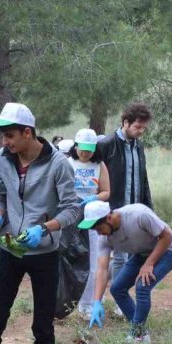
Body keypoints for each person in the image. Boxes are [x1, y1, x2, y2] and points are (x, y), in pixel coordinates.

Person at [0, 103, 81, 344]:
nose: (5, 142)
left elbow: (73, 208)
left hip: (44, 253)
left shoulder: (58, 164)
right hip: (11, 247)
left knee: (42, 324)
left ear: (28, 132)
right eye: (2, 136)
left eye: (9, 135)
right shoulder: (2, 159)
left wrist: (45, 228)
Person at [82, 200, 172, 342]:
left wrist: (149, 264)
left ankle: (137, 335)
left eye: (98, 228)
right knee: (117, 289)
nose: (98, 233)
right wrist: (96, 301)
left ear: (109, 218)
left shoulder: (138, 215)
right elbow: (102, 269)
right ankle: (140, 331)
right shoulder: (104, 238)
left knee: (142, 286)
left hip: (170, 251)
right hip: (143, 254)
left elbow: (167, 236)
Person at [97, 103, 153, 279]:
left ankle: (115, 289)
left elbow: (143, 179)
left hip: (135, 211)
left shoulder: (139, 146)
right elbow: (98, 179)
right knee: (120, 257)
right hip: (114, 210)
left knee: (131, 255)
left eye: (144, 128)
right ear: (126, 123)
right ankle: (119, 296)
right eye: (137, 127)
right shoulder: (106, 144)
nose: (141, 131)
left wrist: (149, 208)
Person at [67, 128, 111, 315]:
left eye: (89, 150)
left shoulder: (99, 165)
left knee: (93, 259)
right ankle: (69, 302)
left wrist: (93, 199)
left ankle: (89, 303)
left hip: (92, 216)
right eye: (82, 149)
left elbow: (106, 191)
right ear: (75, 147)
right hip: (70, 215)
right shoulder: (66, 163)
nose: (85, 153)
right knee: (72, 258)